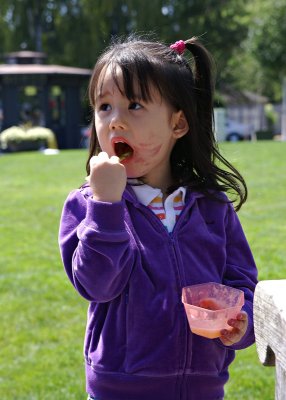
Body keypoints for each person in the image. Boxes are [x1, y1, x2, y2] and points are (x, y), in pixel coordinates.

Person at [59, 34, 258, 400]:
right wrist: (106, 206)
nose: (115, 122)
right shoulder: (88, 205)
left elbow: (242, 283)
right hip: (119, 389)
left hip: (203, 387)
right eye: (104, 107)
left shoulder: (212, 208)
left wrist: (240, 321)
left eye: (134, 105)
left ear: (178, 125)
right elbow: (97, 285)